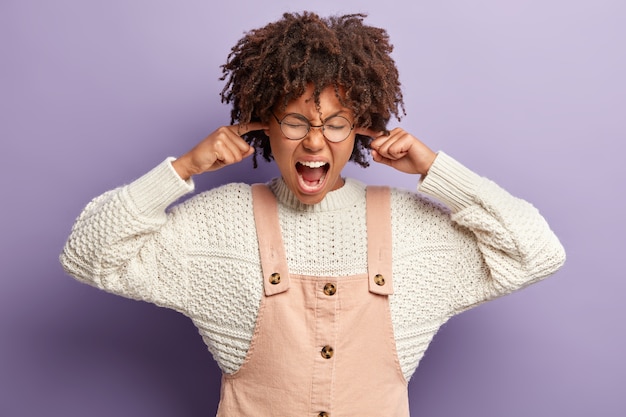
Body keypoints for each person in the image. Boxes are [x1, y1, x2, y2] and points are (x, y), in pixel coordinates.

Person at [60, 11, 566, 417]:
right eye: (296, 121)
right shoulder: (220, 224)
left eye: (337, 124)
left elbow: (538, 252)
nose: (316, 140)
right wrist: (184, 167)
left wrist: (435, 169)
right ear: (265, 125)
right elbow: (87, 255)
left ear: (361, 130)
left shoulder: (412, 228)